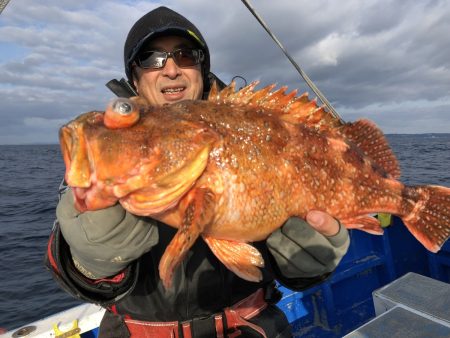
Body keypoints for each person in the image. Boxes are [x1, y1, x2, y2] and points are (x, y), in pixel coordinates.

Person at [45, 6, 350, 338]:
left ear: (202, 71)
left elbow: (286, 269)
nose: (172, 69)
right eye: (152, 58)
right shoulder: (110, 151)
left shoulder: (242, 129)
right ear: (135, 78)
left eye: (186, 55)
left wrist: (311, 263)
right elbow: (73, 274)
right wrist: (89, 261)